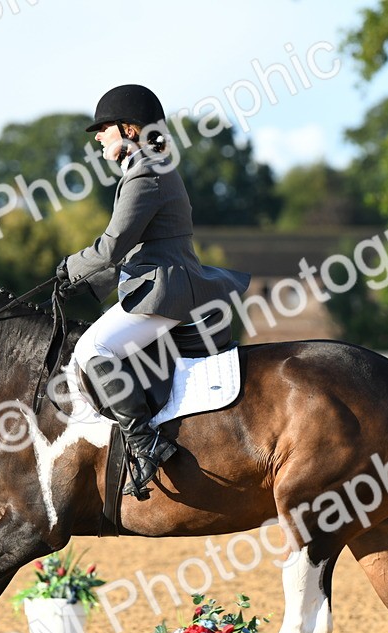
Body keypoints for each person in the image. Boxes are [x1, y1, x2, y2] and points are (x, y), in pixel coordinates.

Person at [56, 84, 249, 497]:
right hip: (160, 283)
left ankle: (147, 445)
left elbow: (113, 245)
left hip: (166, 290)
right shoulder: (147, 167)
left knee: (92, 352)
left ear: (129, 128)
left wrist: (68, 269)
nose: (97, 136)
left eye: (104, 127)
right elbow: (136, 249)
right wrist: (85, 285)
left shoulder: (147, 170)